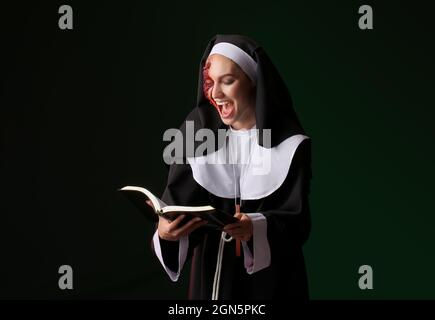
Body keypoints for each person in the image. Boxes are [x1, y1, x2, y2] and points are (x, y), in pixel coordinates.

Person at [149, 34, 312, 300]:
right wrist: (167, 234)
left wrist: (255, 228)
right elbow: (178, 211)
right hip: (211, 280)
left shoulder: (290, 144)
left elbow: (297, 223)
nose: (216, 93)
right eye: (211, 82)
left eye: (228, 81)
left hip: (273, 284)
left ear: (253, 82)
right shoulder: (196, 135)